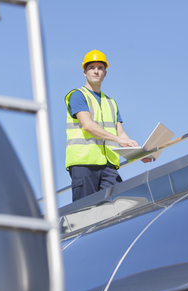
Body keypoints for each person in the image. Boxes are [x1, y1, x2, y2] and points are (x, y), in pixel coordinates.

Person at [65, 49, 152, 202]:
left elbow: (121, 134)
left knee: (118, 206)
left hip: (108, 166)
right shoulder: (78, 95)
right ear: (85, 72)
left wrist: (139, 153)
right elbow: (87, 125)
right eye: (92, 68)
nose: (96, 71)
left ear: (105, 73)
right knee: (85, 213)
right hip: (84, 164)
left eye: (100, 68)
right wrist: (119, 140)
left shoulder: (111, 103)